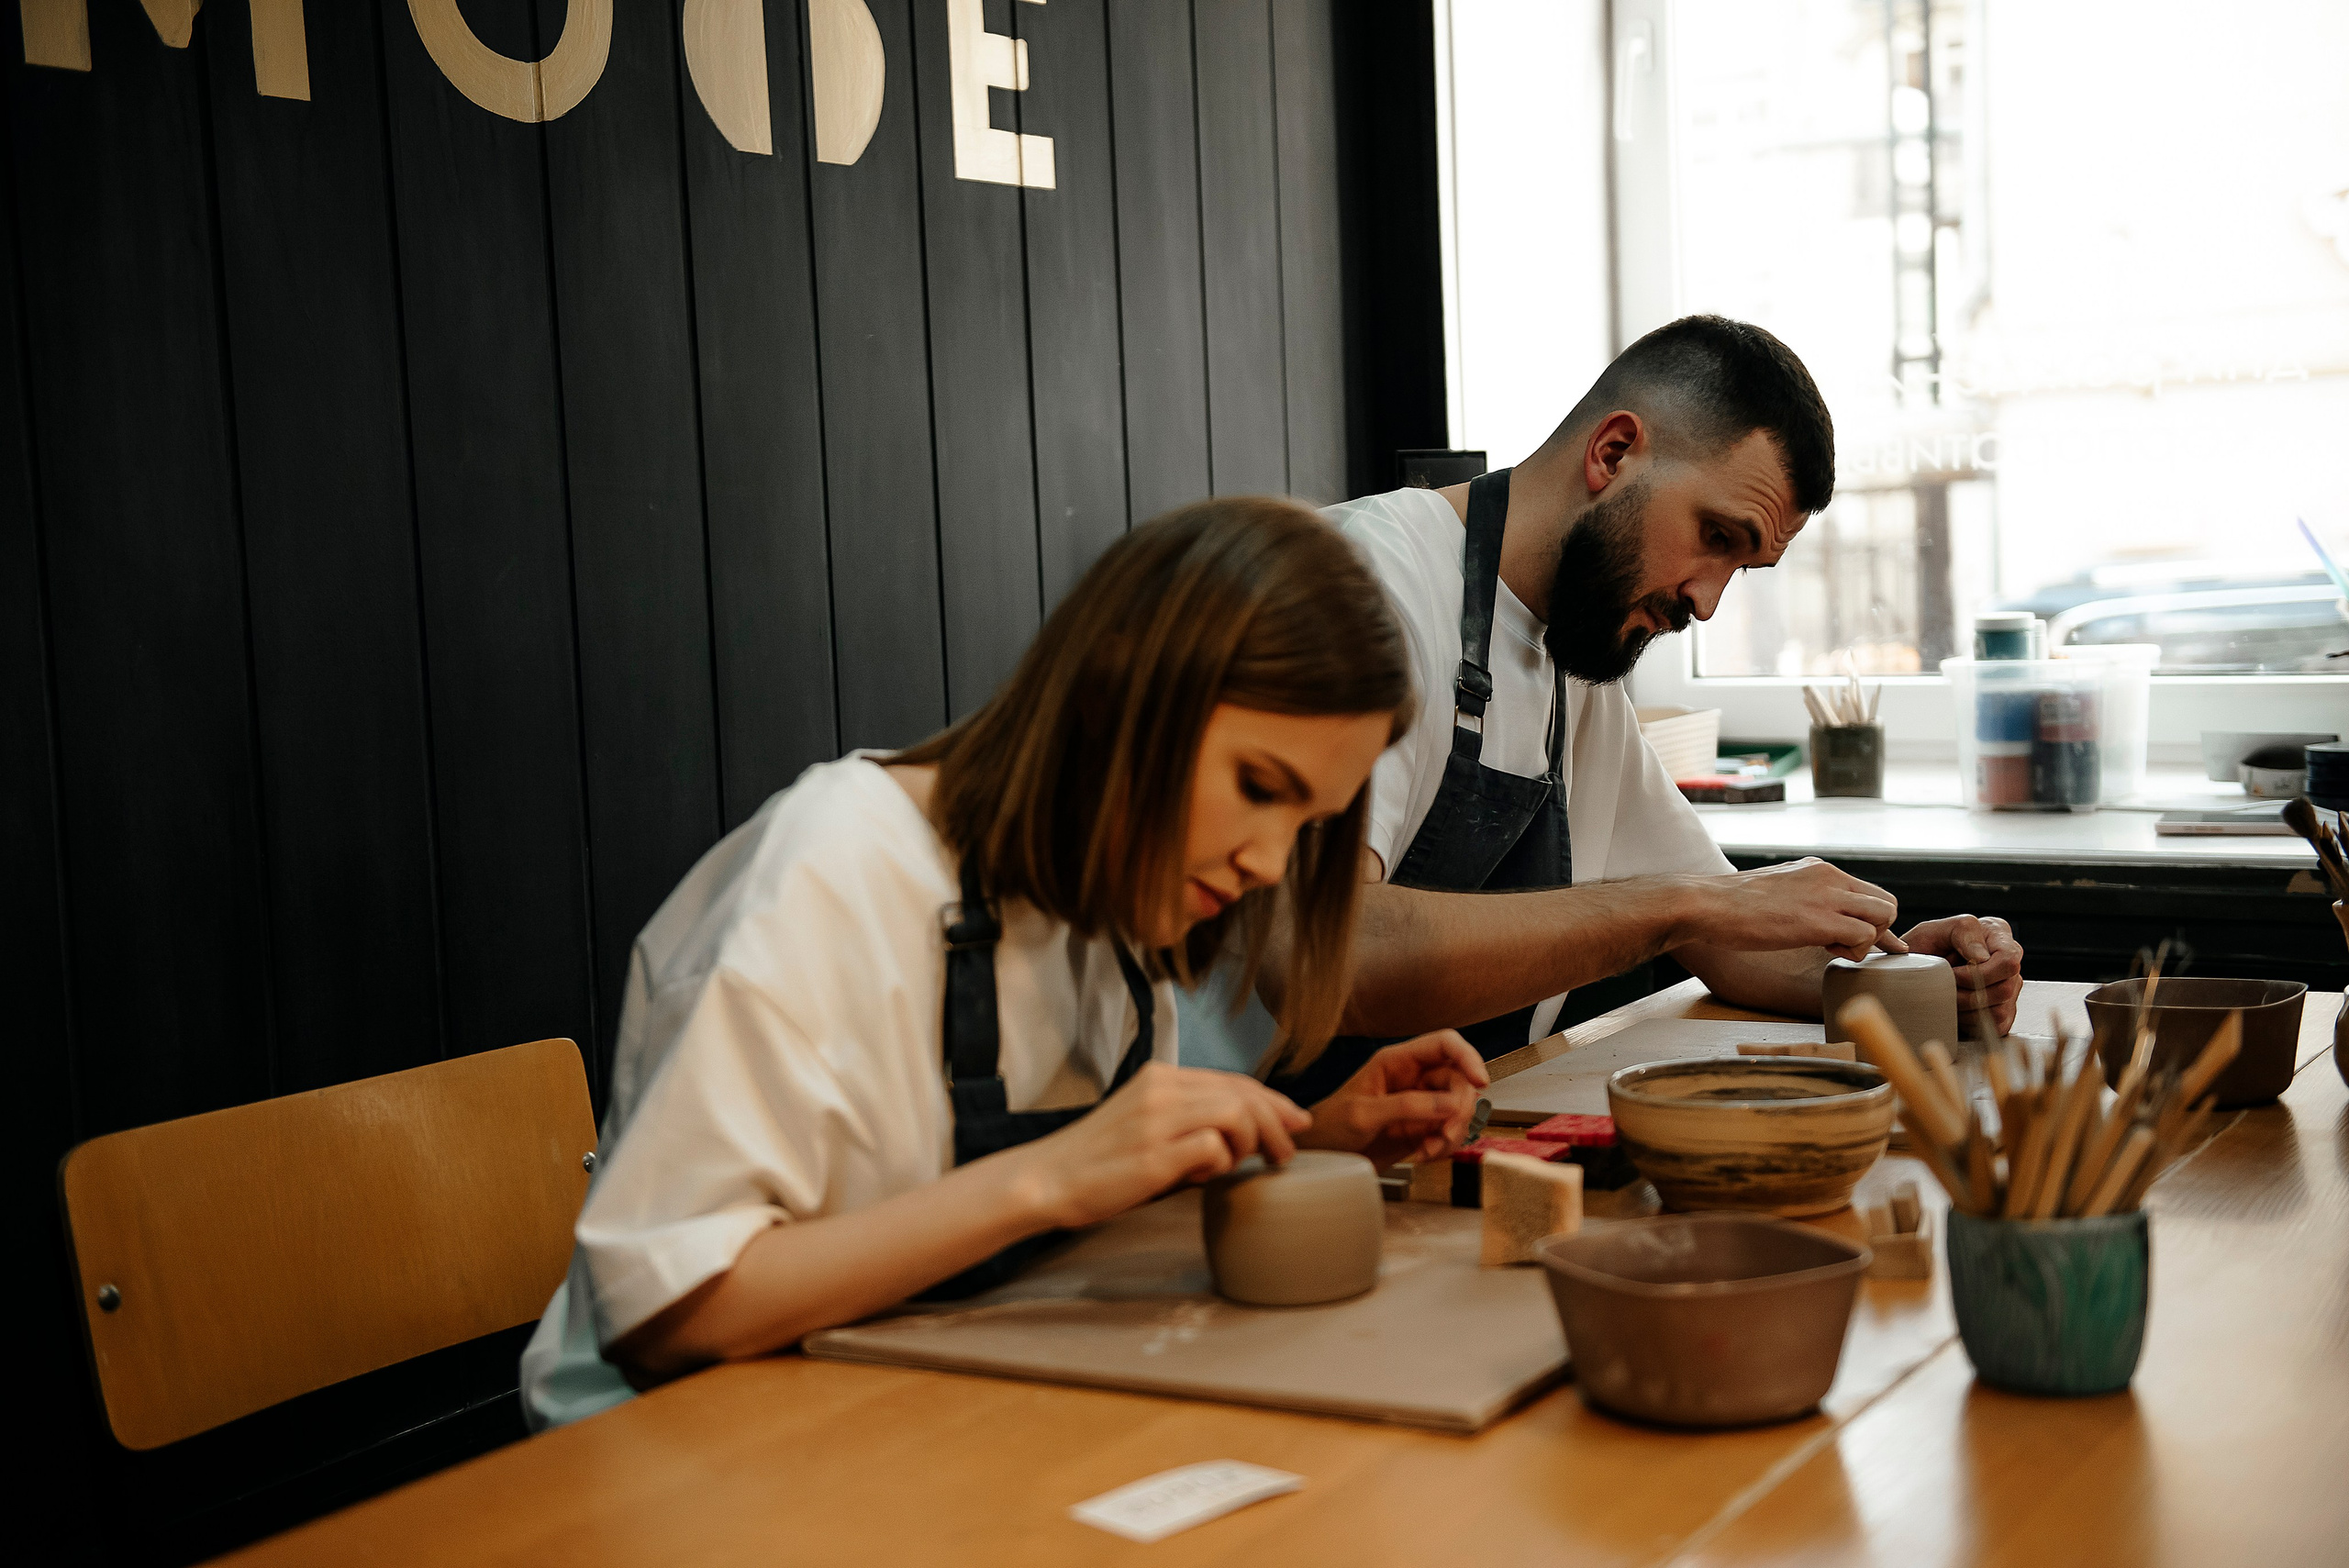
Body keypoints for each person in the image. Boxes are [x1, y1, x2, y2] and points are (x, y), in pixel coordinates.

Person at [520, 497, 1488, 1429]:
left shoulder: (1111, 904)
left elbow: (1063, 1222)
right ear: (1119, 696)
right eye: (1255, 786)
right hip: (665, 1452)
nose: (1270, 862)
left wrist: (1305, 1143)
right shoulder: (834, 871)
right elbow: (668, 1311)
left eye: (1304, 822)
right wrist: (1047, 1176)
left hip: (905, 1400)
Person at [1257, 315, 2024, 1104]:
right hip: (1258, 1162)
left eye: (1742, 565)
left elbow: (1721, 936)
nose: (1708, 599)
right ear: (1613, 452)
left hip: (1438, 1133)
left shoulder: (1578, 664)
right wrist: (1684, 905)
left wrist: (1904, 972)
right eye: (1716, 535)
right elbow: (1319, 955)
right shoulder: (1357, 588)